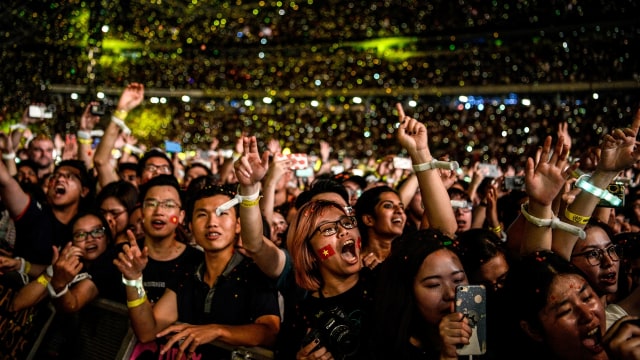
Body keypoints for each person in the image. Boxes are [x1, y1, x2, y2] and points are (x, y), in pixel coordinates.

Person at [114, 184, 280, 359]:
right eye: (202, 215)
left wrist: (218, 331)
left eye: (221, 213)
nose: (212, 223)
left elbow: (270, 333)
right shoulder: (187, 272)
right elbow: (147, 331)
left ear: (238, 225)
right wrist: (133, 280)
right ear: (191, 226)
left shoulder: (254, 273)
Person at [373, 229, 473, 359]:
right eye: (434, 285)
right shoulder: (389, 350)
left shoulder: (490, 330)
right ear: (409, 291)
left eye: (458, 280)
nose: (450, 294)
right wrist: (448, 356)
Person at [119, 174, 202, 303]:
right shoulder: (122, 256)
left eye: (169, 205)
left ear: (181, 216)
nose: (159, 211)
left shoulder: (198, 263)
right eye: (151, 204)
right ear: (142, 213)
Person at [10, 210, 114, 312]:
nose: (90, 239)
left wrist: (59, 285)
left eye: (97, 231)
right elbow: (17, 304)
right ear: (72, 243)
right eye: (80, 235)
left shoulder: (110, 266)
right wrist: (51, 271)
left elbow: (72, 304)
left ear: (107, 238)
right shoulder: (72, 265)